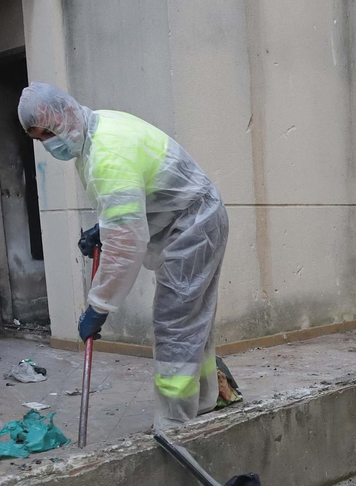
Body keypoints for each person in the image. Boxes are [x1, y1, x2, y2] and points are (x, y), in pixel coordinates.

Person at [17, 83, 229, 431]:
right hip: (193, 219)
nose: (48, 144)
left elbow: (125, 245)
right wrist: (104, 226)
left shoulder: (106, 154)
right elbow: (131, 199)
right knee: (192, 317)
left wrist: (97, 306)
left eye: (48, 133)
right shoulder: (97, 128)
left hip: (194, 226)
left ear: (65, 116)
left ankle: (175, 423)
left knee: (175, 320)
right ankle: (204, 399)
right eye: (40, 139)